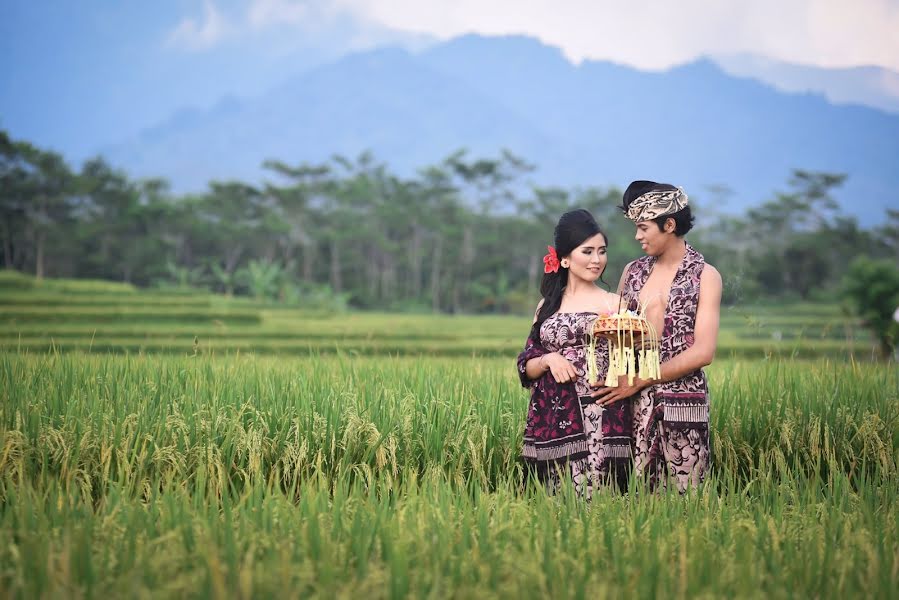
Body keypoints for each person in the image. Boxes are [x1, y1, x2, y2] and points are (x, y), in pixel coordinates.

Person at [591, 181, 722, 492]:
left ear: (670, 224)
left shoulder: (705, 276)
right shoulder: (632, 272)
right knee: (631, 493)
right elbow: (619, 334)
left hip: (682, 399)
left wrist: (642, 378)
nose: (637, 236)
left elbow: (703, 352)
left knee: (687, 494)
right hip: (630, 397)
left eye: (643, 227)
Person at [516, 209, 631, 496]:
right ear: (564, 258)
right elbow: (526, 366)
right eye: (587, 251)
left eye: (602, 251)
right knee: (557, 503)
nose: (597, 260)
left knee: (601, 501)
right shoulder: (547, 306)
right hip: (555, 419)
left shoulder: (616, 304)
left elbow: (633, 361)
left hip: (602, 415)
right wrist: (549, 358)